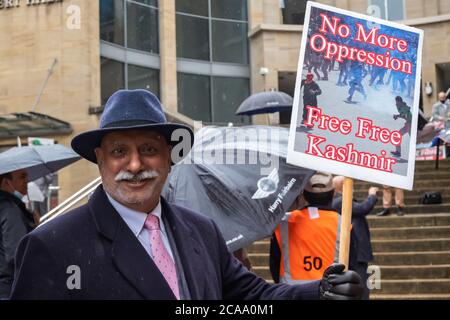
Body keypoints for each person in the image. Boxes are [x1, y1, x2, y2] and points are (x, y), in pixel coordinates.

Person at [10, 89, 363, 300]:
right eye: (119, 152)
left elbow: (255, 298)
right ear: (100, 159)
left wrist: (320, 292)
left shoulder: (202, 231)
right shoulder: (51, 245)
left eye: (148, 149)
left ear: (169, 157)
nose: (135, 165)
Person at [269, 172, 358, 284]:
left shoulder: (283, 223)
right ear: (332, 194)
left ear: (304, 194)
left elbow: (274, 263)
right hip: (330, 291)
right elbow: (352, 264)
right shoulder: (343, 224)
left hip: (291, 291)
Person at [332, 176, 378, 300]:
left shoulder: (341, 200)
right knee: (361, 287)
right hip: (355, 253)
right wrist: (372, 195)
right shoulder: (340, 201)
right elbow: (363, 208)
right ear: (344, 185)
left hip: (357, 252)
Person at [0, 169, 35, 299]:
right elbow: (17, 253)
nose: (27, 180)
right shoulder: (9, 209)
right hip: (9, 289)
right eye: (22, 176)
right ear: (6, 182)